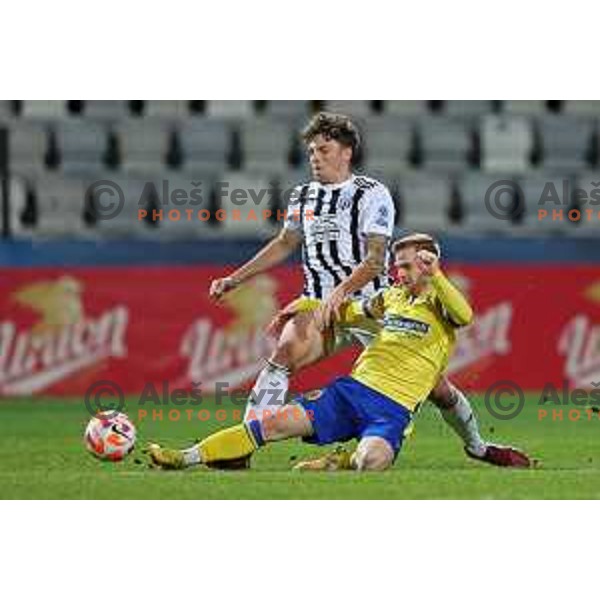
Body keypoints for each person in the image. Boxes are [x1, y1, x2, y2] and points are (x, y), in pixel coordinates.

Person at [208, 112, 529, 468]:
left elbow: (376, 260)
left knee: (437, 388)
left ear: (346, 152)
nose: (315, 157)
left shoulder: (372, 194)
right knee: (284, 352)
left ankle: (477, 445)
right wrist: (235, 279)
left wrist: (340, 293)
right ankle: (243, 447)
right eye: (312, 151)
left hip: (372, 305)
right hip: (319, 304)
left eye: (324, 150)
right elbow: (285, 243)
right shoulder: (302, 196)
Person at [146, 237, 478, 471]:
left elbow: (465, 316)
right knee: (271, 425)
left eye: (407, 266)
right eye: (397, 266)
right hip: (351, 393)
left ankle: (344, 460)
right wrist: (304, 304)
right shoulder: (390, 298)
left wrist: (436, 275)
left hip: (393, 411)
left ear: (428, 264)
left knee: (371, 463)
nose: (398, 273)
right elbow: (346, 311)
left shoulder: (442, 304)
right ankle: (186, 457)